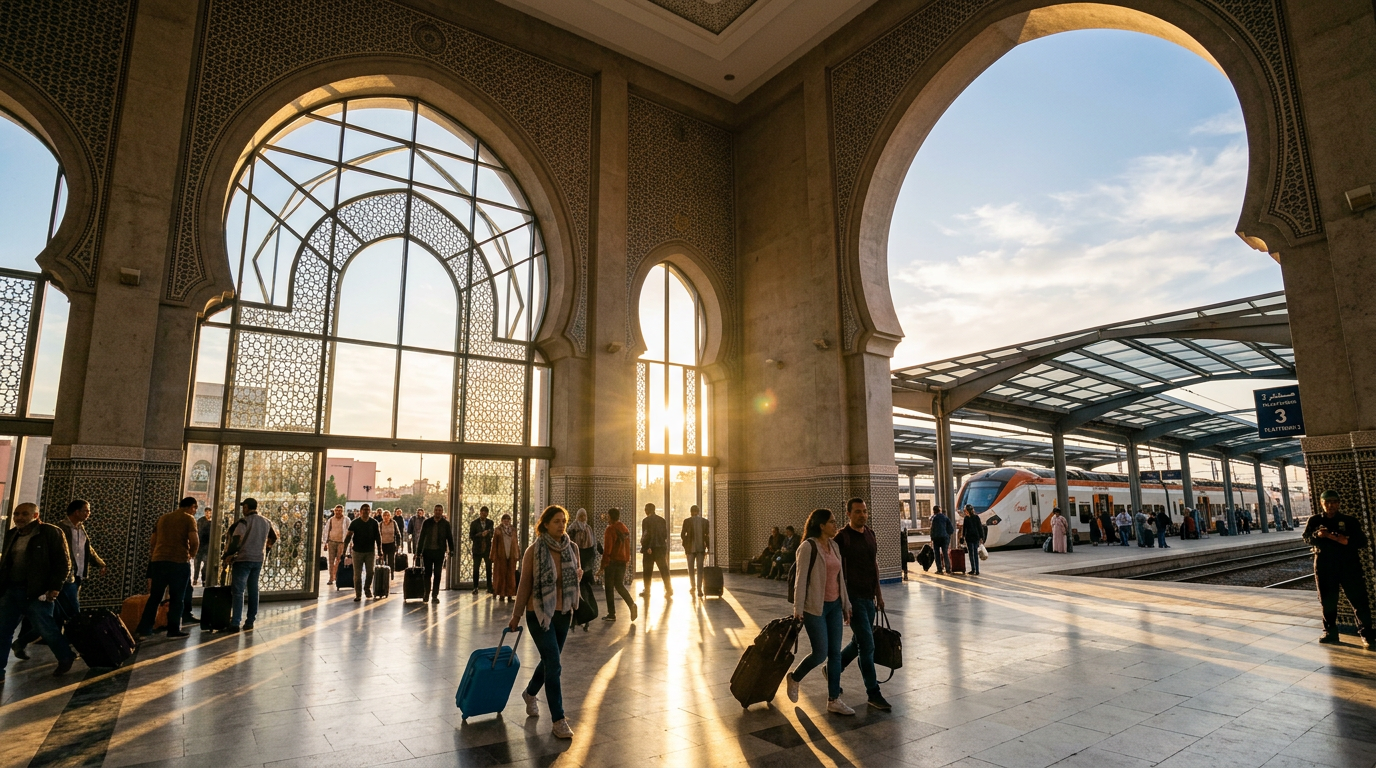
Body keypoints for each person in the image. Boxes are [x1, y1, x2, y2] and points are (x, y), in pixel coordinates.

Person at [508, 505, 581, 739]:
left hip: (563, 613)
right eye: (557, 521)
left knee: (551, 660)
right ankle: (558, 719)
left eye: (564, 521)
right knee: (554, 663)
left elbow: (575, 578)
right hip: (538, 613)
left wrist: (577, 576)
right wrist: (515, 616)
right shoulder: (534, 551)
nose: (561, 525)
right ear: (545, 524)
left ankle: (530, 693)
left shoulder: (572, 548)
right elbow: (524, 586)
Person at [14, 499, 108, 659]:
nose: (88, 513)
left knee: (49, 619)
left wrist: (100, 563)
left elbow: (87, 550)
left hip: (76, 576)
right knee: (74, 616)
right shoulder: (58, 529)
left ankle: (20, 643)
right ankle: (78, 650)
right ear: (76, 512)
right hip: (63, 579)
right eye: (86, 510)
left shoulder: (81, 529)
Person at [786, 508, 854, 715]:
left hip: (834, 606)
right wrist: (798, 609)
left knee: (835, 654)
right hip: (814, 608)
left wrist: (846, 604)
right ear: (821, 525)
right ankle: (795, 677)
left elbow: (840, 578)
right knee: (820, 653)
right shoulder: (808, 547)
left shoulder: (834, 546)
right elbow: (800, 580)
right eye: (832, 522)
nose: (836, 525)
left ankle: (834, 699)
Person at [0, 503, 76, 681]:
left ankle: (65, 656)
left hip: (37, 592)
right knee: (3, 630)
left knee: (46, 628)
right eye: (16, 514)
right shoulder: (12, 534)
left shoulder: (50, 532)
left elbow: (63, 562)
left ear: (35, 515)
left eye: (24, 514)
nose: (19, 517)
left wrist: (55, 587)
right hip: (12, 590)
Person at [836, 498, 890, 711]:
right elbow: (837, 571)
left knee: (859, 641)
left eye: (865, 511)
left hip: (868, 597)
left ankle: (835, 668)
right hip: (853, 598)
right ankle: (873, 692)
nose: (862, 515)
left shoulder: (870, 534)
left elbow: (874, 566)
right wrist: (843, 602)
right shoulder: (842, 538)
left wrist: (879, 594)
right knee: (867, 645)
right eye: (857, 512)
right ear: (848, 514)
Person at [1305, 490, 1373, 647]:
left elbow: (1362, 541)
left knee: (1359, 601)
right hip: (1325, 566)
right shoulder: (1314, 521)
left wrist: (1337, 538)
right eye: (1327, 502)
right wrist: (1318, 535)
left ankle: (1367, 634)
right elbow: (1307, 538)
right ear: (1322, 504)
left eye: (1334, 502)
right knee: (1328, 601)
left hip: (1349, 566)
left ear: (1339, 503)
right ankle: (1330, 632)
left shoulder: (1349, 521)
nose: (1330, 505)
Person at [136, 496, 200, 640]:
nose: (195, 511)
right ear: (192, 507)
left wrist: (155, 555)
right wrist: (191, 555)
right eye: (195, 508)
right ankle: (173, 630)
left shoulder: (162, 518)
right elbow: (194, 541)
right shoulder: (188, 519)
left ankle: (145, 630)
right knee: (177, 598)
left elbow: (153, 541)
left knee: (155, 597)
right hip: (178, 562)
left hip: (158, 561)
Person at [222, 497, 277, 632]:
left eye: (243, 507)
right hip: (258, 559)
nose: (243, 510)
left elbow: (236, 540)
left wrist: (227, 555)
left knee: (238, 591)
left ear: (246, 507)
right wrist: (266, 550)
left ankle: (235, 622)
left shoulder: (244, 522)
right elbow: (273, 537)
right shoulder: (266, 522)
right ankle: (250, 621)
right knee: (253, 590)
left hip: (243, 559)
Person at [598, 508, 637, 622]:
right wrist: (627, 560)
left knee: (609, 588)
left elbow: (608, 550)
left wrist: (602, 565)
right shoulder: (624, 528)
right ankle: (631, 604)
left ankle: (611, 614)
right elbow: (627, 547)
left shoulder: (610, 529)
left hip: (612, 563)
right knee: (619, 585)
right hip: (622, 562)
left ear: (610, 516)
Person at [343, 504, 380, 602]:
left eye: (368, 510)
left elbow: (378, 537)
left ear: (370, 511)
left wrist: (380, 550)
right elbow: (348, 537)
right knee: (357, 574)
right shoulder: (355, 523)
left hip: (370, 551)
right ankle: (358, 594)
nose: (366, 511)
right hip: (357, 551)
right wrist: (344, 550)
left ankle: (367, 588)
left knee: (370, 572)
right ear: (360, 511)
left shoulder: (374, 523)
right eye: (364, 510)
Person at [417, 504, 453, 603]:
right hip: (427, 552)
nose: (438, 512)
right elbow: (422, 537)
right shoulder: (427, 522)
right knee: (427, 574)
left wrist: (451, 549)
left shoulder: (446, 524)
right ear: (434, 511)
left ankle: (434, 595)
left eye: (440, 510)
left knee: (437, 574)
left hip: (439, 552)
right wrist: (418, 551)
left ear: (442, 512)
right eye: (436, 510)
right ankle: (426, 594)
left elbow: (449, 537)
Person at [639, 503, 671, 597]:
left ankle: (647, 590)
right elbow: (665, 535)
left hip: (650, 549)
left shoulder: (646, 521)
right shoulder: (662, 520)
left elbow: (646, 534)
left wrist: (646, 546)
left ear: (647, 510)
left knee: (647, 570)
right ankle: (669, 589)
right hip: (661, 548)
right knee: (664, 569)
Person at [680, 504, 709, 596]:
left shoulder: (687, 521)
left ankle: (693, 587)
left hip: (690, 549)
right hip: (700, 549)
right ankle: (700, 589)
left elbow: (682, 534)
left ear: (691, 512)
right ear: (698, 512)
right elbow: (707, 536)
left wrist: (686, 545)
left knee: (691, 569)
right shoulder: (705, 522)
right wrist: (708, 547)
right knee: (700, 569)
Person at [492, 513, 519, 601]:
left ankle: (510, 595)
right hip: (501, 555)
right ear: (502, 521)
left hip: (511, 555)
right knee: (501, 575)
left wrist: (517, 554)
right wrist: (493, 555)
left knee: (511, 575)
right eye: (505, 520)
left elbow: (516, 543)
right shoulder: (498, 530)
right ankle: (501, 594)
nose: (506, 522)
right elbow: (494, 544)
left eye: (508, 520)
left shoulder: (513, 530)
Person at [568, 509, 596, 591]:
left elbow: (592, 540)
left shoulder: (588, 527)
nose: (583, 517)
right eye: (581, 516)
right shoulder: (573, 527)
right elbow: (570, 541)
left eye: (584, 516)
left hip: (587, 553)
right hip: (577, 552)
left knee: (586, 574)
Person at [469, 506, 494, 594]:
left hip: (487, 548)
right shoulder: (474, 523)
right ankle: (475, 587)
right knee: (476, 568)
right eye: (482, 512)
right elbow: (471, 536)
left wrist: (488, 533)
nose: (484, 514)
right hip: (477, 549)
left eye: (485, 512)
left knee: (488, 568)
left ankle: (489, 587)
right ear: (480, 513)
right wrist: (480, 534)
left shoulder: (490, 522)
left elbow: (492, 533)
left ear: (487, 514)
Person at [323, 505, 348, 585]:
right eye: (336, 510)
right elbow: (326, 531)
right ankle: (331, 577)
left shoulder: (346, 520)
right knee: (331, 560)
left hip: (341, 542)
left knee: (339, 560)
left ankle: (336, 576)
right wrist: (325, 543)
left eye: (340, 510)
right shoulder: (330, 520)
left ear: (342, 511)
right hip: (332, 542)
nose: (338, 512)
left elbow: (350, 531)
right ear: (334, 511)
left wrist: (349, 543)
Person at [960, 506, 985, 575]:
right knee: (975, 554)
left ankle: (973, 569)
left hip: (969, 538)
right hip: (975, 537)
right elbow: (980, 527)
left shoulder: (966, 518)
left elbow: (964, 529)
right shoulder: (976, 517)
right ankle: (977, 570)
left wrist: (963, 536)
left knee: (971, 554)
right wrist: (981, 537)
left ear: (966, 511)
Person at [929, 506, 954, 574]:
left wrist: (932, 538)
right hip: (944, 538)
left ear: (934, 511)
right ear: (940, 510)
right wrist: (947, 534)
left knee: (937, 554)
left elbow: (932, 530)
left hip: (936, 539)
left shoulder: (933, 518)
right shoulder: (946, 518)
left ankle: (939, 569)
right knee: (945, 553)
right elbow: (951, 530)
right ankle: (948, 569)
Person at [195, 507, 213, 585]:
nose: (208, 514)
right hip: (200, 545)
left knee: (206, 564)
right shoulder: (201, 521)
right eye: (206, 512)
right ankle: (195, 578)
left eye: (209, 512)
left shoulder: (212, 522)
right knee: (197, 564)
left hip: (207, 546)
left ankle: (204, 579)